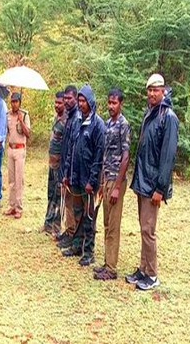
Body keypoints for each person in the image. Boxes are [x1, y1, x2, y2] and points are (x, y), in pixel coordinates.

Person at [125, 74, 179, 291]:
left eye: (156, 90)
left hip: (154, 185)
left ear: (164, 91)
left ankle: (153, 275)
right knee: (143, 228)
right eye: (149, 90)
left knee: (149, 230)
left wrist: (160, 189)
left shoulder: (169, 117)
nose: (152, 93)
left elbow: (167, 157)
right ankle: (143, 269)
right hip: (143, 182)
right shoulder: (151, 114)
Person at [62, 84, 105, 266]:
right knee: (77, 213)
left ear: (91, 102)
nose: (80, 104)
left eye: (83, 100)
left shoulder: (98, 125)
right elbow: (71, 149)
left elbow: (99, 156)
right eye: (79, 100)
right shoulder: (77, 121)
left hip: (89, 180)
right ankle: (77, 245)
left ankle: (89, 252)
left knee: (89, 217)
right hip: (76, 177)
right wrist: (67, 174)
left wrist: (92, 180)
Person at [94, 88, 132, 281]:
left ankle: (112, 268)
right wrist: (102, 182)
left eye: (114, 103)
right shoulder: (108, 123)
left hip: (117, 179)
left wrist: (117, 186)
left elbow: (126, 157)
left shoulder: (124, 125)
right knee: (107, 223)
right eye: (109, 102)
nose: (111, 106)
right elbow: (105, 154)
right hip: (106, 178)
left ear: (120, 104)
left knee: (114, 225)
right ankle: (107, 262)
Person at [57, 85, 82, 250]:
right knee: (67, 202)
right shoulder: (69, 116)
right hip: (65, 165)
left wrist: (68, 171)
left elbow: (75, 147)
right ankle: (69, 229)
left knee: (73, 204)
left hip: (73, 169)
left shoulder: (77, 118)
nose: (66, 101)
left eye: (69, 98)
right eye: (64, 98)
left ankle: (73, 233)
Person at [5, 92, 31, 219]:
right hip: (11, 148)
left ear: (20, 102)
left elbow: (28, 134)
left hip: (20, 150)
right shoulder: (8, 115)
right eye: (12, 102)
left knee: (19, 179)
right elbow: (6, 131)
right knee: (11, 180)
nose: (14, 104)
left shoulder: (25, 115)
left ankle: (19, 208)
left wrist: (21, 120)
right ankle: (12, 205)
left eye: (16, 101)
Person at [43, 91, 66, 234]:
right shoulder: (56, 119)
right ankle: (48, 224)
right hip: (52, 165)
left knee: (58, 196)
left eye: (59, 103)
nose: (56, 105)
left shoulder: (66, 121)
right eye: (55, 102)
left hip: (60, 166)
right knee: (50, 194)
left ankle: (56, 228)